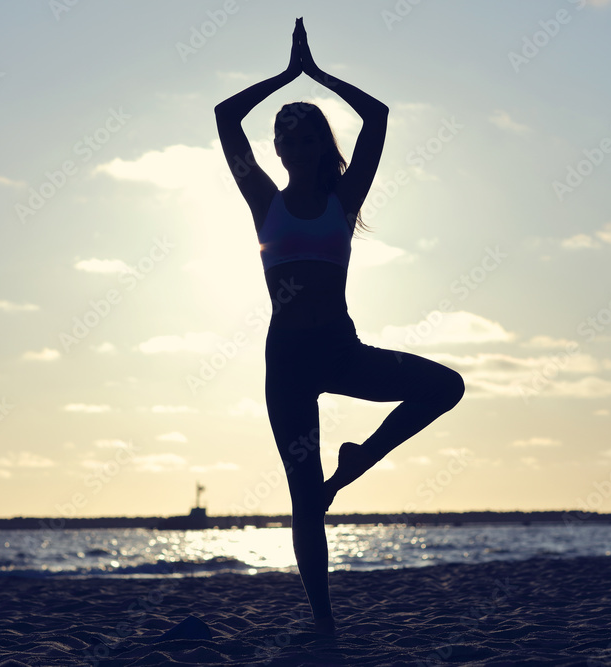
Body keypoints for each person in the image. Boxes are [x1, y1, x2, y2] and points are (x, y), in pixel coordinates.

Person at [214, 18, 465, 636]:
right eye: (285, 139)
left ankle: (357, 463)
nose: (293, 147)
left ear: (322, 147)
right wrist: (284, 76)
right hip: (289, 366)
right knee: (305, 497)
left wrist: (318, 75)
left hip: (340, 351)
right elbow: (225, 116)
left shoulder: (343, 200)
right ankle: (324, 619)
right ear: (277, 150)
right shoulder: (262, 200)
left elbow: (376, 117)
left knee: (445, 386)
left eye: (304, 139)